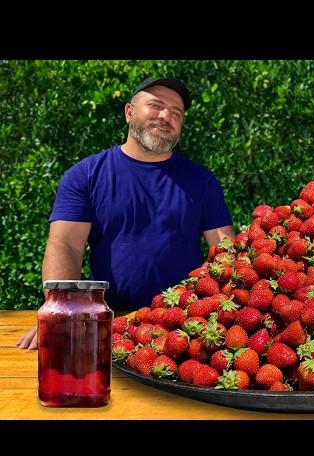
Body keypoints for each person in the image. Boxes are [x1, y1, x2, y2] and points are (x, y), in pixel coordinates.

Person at [17, 77, 235, 350]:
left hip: (184, 328)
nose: (166, 116)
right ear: (129, 112)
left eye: (176, 113)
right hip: (109, 324)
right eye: (156, 106)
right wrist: (61, 308)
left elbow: (226, 253)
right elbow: (66, 244)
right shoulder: (85, 176)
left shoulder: (202, 182)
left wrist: (228, 317)